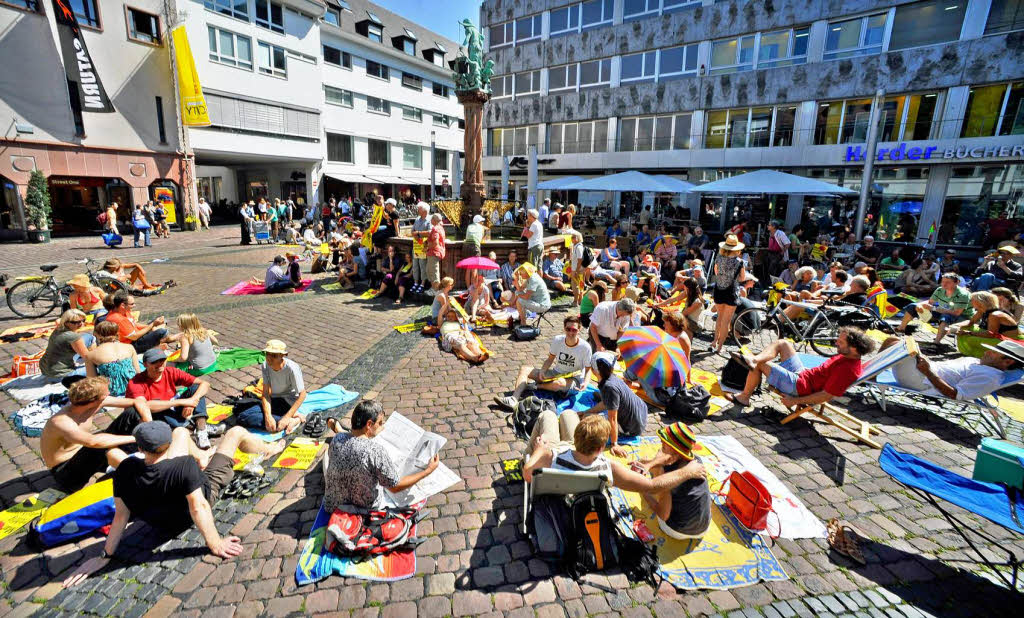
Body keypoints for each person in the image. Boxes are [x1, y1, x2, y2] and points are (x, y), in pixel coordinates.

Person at [62, 421, 287, 589]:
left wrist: (105, 556)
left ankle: (202, 456)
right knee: (235, 433)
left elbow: (120, 516)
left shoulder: (125, 470)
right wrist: (215, 543)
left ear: (140, 449)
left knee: (181, 431)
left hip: (160, 520)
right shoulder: (183, 465)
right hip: (187, 510)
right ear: (165, 446)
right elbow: (199, 507)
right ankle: (270, 449)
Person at [521, 414, 706, 508]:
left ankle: (527, 450)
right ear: (601, 448)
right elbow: (651, 485)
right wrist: (687, 471)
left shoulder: (548, 458)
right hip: (578, 457)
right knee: (569, 414)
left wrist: (538, 450)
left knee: (548, 416)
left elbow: (527, 474)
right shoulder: (609, 469)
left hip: (561, 452)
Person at [323, 400, 440, 513]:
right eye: (380, 423)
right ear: (369, 424)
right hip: (363, 510)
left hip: (333, 504)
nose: (382, 427)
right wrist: (428, 471)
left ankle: (337, 425)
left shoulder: (337, 439)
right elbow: (395, 487)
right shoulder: (375, 451)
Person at [724, 327, 875, 408]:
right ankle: (753, 359)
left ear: (854, 348)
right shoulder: (848, 355)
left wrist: (795, 401)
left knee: (761, 365)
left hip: (799, 387)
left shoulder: (847, 370)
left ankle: (744, 397)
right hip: (803, 376)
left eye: (841, 342)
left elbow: (826, 395)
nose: (836, 343)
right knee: (783, 343)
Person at [41, 377, 141, 492]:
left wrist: (153, 417)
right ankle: (140, 473)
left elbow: (137, 402)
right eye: (105, 395)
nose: (109, 394)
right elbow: (93, 442)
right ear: (94, 400)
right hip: (66, 472)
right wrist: (136, 438)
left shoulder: (93, 404)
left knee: (131, 413)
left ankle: (139, 457)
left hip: (85, 453)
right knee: (100, 443)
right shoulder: (62, 422)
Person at [126, 348, 219, 449]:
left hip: (173, 408)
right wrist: (181, 402)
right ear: (145, 364)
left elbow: (205, 384)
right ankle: (195, 427)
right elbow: (144, 407)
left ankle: (201, 429)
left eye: (162, 360)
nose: (160, 364)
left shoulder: (170, 371)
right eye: (154, 362)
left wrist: (192, 401)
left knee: (196, 389)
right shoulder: (136, 382)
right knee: (159, 406)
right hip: (153, 417)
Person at [494, 315, 592, 410]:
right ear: (564, 328)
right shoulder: (558, 340)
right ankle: (514, 399)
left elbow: (588, 369)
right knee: (525, 369)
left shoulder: (585, 347)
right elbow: (550, 359)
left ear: (579, 329)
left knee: (559, 383)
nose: (571, 332)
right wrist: (543, 371)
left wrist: (586, 383)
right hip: (556, 373)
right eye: (568, 329)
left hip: (573, 379)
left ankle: (535, 386)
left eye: (574, 330)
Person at [880, 337, 1024, 401]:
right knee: (893, 340)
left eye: (993, 353)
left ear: (1008, 362)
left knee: (896, 343)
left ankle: (865, 375)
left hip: (922, 380)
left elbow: (955, 395)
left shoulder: (990, 377)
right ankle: (870, 375)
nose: (986, 352)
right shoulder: (978, 363)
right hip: (924, 371)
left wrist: (928, 372)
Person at [637, 422, 711, 540]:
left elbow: (663, 514)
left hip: (677, 530)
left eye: (664, 444)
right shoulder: (697, 461)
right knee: (659, 462)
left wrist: (644, 493)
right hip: (703, 527)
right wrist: (650, 464)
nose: (661, 444)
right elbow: (668, 458)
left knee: (659, 472)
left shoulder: (668, 475)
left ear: (674, 452)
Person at [582, 352, 648, 457]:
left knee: (587, 419)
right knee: (595, 399)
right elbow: (605, 403)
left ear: (595, 371)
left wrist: (614, 444)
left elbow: (612, 418)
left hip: (632, 428)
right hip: (641, 414)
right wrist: (587, 411)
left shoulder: (609, 387)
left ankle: (621, 433)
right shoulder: (613, 377)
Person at [236, 340, 308, 434]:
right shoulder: (265, 365)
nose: (269, 358)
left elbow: (302, 394)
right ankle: (288, 421)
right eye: (267, 354)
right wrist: (268, 417)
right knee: (242, 416)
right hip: (275, 400)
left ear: (282, 356)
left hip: (288, 401)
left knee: (251, 416)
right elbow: (265, 393)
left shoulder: (292, 368)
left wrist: (286, 417)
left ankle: (287, 419)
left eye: (274, 356)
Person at [897, 273, 973, 344]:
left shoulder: (962, 294)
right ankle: (901, 328)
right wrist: (920, 305)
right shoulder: (940, 290)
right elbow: (930, 302)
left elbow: (957, 313)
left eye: (948, 282)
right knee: (913, 306)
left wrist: (934, 309)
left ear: (956, 282)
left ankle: (936, 342)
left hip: (963, 317)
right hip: (942, 311)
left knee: (946, 317)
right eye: (943, 281)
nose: (944, 284)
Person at [711, 234, 747, 354]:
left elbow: (716, 273)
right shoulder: (740, 262)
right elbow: (742, 278)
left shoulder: (719, 258)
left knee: (719, 318)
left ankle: (714, 341)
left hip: (719, 289)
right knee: (726, 321)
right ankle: (720, 347)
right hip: (731, 291)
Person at [86, 321, 141, 397]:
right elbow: (138, 372)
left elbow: (92, 380)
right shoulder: (129, 347)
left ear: (97, 335)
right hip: (133, 387)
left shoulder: (91, 355)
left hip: (112, 392)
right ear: (116, 333)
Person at [39, 310, 92, 379]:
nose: (81, 324)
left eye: (83, 320)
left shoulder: (59, 328)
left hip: (45, 369)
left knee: (89, 337)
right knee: (98, 369)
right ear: (66, 323)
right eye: (76, 322)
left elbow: (58, 320)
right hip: (61, 375)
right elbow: (87, 358)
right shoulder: (73, 337)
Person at [953, 291, 1021, 339]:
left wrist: (968, 333)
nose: (970, 302)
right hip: (996, 335)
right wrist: (956, 326)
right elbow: (971, 322)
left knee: (970, 338)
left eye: (972, 300)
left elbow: (991, 334)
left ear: (980, 302)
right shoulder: (981, 310)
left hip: (1007, 339)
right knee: (962, 329)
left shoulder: (995, 315)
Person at [410, 202, 431, 294]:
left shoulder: (430, 219)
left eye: (419, 209)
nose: (417, 210)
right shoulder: (417, 219)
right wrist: (417, 235)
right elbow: (412, 231)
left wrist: (418, 233)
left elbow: (430, 232)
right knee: (415, 265)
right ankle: (415, 282)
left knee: (423, 265)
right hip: (416, 245)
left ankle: (422, 284)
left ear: (424, 210)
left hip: (424, 246)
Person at [426, 213, 446, 295]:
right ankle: (433, 288)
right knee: (429, 270)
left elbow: (435, 242)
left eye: (431, 219)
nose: (430, 221)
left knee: (433, 272)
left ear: (434, 220)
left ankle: (436, 291)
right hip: (436, 252)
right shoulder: (441, 228)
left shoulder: (435, 229)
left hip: (434, 252)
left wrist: (427, 247)